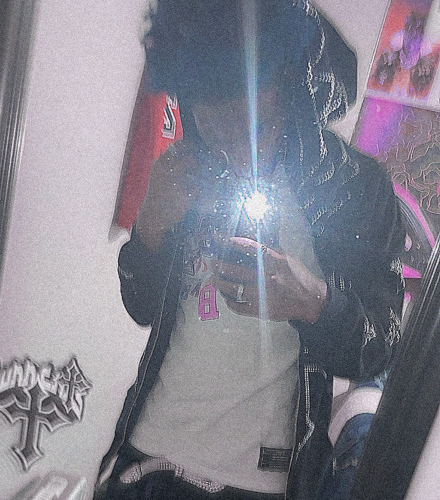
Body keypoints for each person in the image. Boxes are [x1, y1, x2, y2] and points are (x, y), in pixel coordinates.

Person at [95, 1, 405, 499]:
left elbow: (381, 349)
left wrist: (314, 303)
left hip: (260, 482)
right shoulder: (187, 170)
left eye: (253, 129)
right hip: (143, 461)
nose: (236, 153)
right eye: (215, 131)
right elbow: (142, 307)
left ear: (293, 94)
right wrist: (149, 225)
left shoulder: (354, 189)